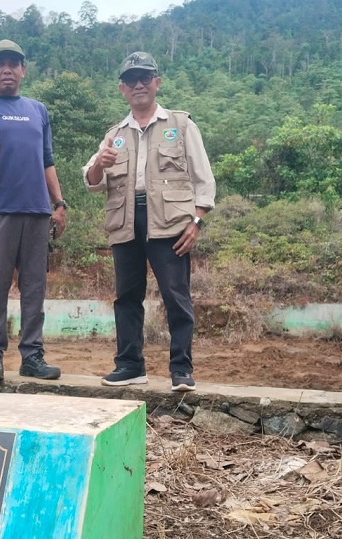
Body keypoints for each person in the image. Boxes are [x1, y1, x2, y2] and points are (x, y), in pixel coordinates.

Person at [83, 51, 216, 392]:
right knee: (127, 296)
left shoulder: (181, 125)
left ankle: (181, 369)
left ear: (157, 82)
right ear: (122, 89)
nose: (138, 85)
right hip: (126, 220)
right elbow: (92, 181)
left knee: (176, 295)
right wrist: (99, 162)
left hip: (170, 221)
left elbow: (204, 180)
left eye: (144, 78)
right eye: (131, 80)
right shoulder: (114, 134)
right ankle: (130, 365)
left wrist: (196, 222)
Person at [0, 39, 68, 383]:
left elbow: (47, 161)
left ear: (23, 70)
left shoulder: (38, 110)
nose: (7, 69)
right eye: (0, 64)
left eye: (14, 63)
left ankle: (32, 357)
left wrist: (59, 204)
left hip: (37, 213)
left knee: (35, 288)